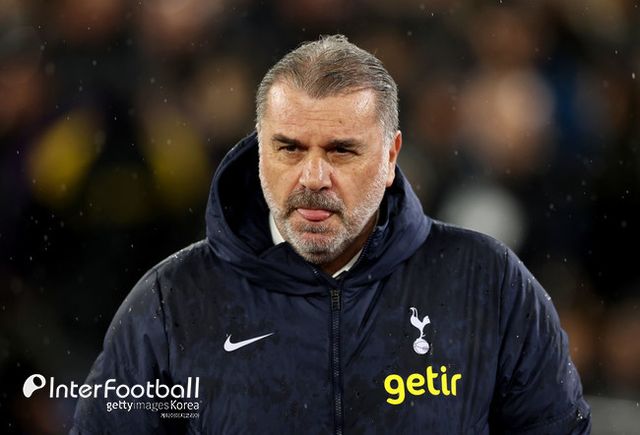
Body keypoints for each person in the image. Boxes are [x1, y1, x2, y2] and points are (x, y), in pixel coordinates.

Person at [71, 35, 591, 434]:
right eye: (290, 148)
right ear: (260, 152)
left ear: (391, 156)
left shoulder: (488, 284)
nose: (313, 177)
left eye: (341, 150)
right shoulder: (171, 303)